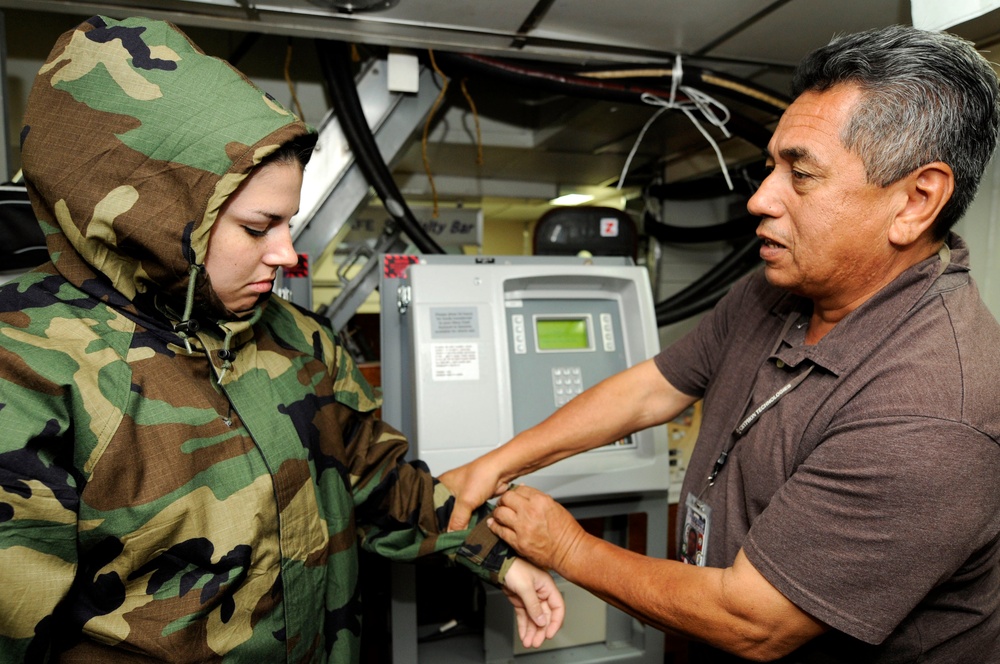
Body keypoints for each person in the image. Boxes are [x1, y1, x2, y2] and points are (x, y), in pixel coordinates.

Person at [0, 15, 563, 662]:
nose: (288, 254)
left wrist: (500, 559)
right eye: (257, 226)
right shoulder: (27, 366)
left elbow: (377, 481)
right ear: (156, 216)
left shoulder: (296, 339)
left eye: (289, 223)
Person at [441, 24, 1000, 663]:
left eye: (802, 174)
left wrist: (567, 548)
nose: (760, 199)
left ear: (916, 200)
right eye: (770, 166)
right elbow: (654, 388)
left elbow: (754, 621)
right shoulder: (777, 289)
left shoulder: (932, 409)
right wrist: (502, 462)